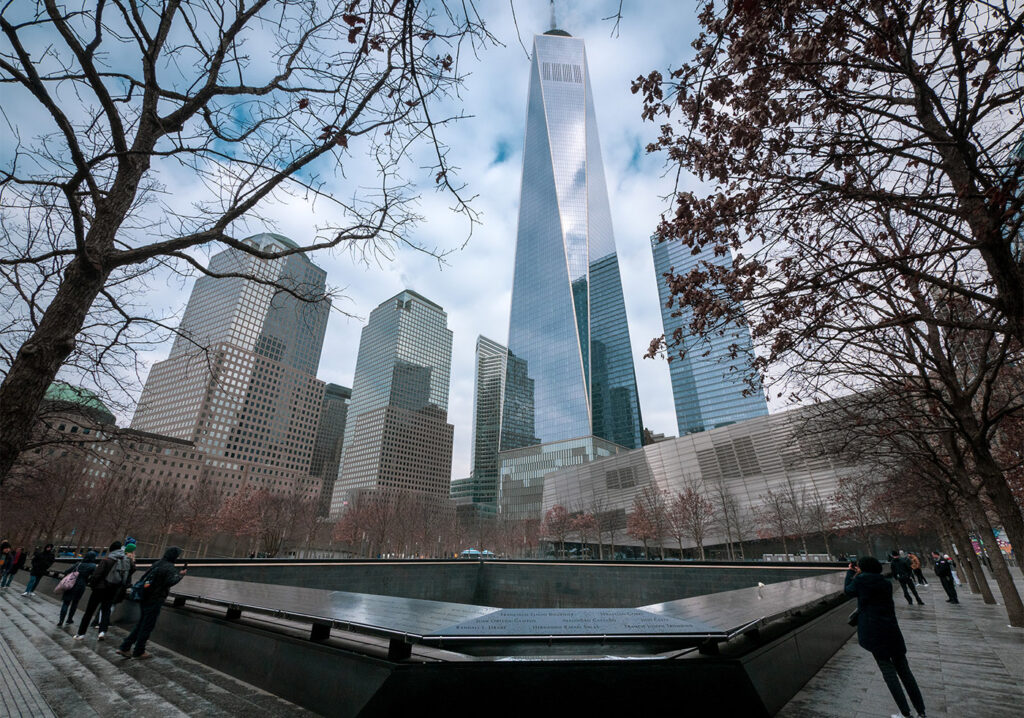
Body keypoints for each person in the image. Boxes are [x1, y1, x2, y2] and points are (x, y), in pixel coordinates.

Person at [846, 556, 927, 718]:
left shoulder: (861, 581)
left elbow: (848, 590)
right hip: (891, 631)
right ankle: (921, 711)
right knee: (905, 672)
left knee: (889, 674)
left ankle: (905, 713)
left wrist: (850, 573)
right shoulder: (885, 583)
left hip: (875, 633)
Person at [117, 547, 187, 659]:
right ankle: (139, 651)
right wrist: (181, 575)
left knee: (141, 623)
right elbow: (170, 582)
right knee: (147, 625)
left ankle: (125, 647)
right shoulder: (169, 567)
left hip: (145, 597)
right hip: (155, 599)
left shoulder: (157, 563)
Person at [74, 541, 132, 640]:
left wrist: (92, 585)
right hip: (113, 589)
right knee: (106, 611)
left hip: (99, 589)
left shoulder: (107, 560)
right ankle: (102, 632)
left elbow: (96, 575)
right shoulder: (125, 561)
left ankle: (81, 633)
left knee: (89, 611)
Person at [57, 550, 98, 627]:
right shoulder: (93, 566)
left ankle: (61, 620)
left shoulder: (78, 564)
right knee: (75, 603)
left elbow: (66, 571)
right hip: (81, 585)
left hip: (71, 584)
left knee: (66, 602)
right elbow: (94, 577)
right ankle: (69, 619)